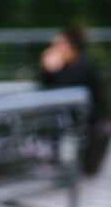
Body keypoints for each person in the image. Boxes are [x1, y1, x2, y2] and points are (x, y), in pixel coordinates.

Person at [39, 26, 110, 176]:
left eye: (58, 44)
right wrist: (47, 70)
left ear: (69, 46)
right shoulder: (67, 65)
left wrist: (52, 69)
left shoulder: (83, 66)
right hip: (71, 120)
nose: (54, 48)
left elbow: (62, 92)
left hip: (86, 124)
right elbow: (46, 89)